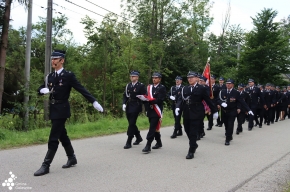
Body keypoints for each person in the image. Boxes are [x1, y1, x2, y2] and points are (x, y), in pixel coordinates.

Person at [34, 50, 103, 176]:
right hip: (53, 108)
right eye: (52, 59)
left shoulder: (68, 76)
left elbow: (81, 89)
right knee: (62, 135)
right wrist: (41, 91)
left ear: (62, 60)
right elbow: (40, 88)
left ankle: (46, 165)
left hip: (62, 109)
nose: (53, 61)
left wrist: (94, 101)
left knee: (54, 136)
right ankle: (72, 157)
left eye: (56, 59)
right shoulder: (50, 76)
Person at [175, 71, 218, 159]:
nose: (189, 79)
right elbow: (180, 99)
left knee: (193, 131)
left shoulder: (201, 88)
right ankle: (194, 144)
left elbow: (208, 100)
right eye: (188, 78)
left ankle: (191, 150)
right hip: (187, 111)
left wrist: (215, 111)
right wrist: (177, 107)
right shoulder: (185, 89)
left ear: (197, 78)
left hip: (197, 112)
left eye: (191, 77)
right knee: (187, 130)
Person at [218, 79, 253, 145]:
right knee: (226, 125)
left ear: (233, 85)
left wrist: (249, 109)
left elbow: (242, 101)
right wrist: (221, 103)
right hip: (224, 111)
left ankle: (227, 139)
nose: (228, 85)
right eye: (227, 83)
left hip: (232, 111)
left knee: (230, 125)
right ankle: (229, 135)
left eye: (229, 83)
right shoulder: (222, 91)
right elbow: (218, 99)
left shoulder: (236, 93)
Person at [138, 72, 166, 153]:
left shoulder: (162, 88)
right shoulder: (149, 87)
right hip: (150, 110)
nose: (154, 79)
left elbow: (160, 99)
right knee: (154, 127)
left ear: (159, 79)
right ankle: (159, 142)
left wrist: (151, 100)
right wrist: (144, 100)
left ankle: (148, 145)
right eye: (153, 77)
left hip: (157, 110)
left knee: (152, 127)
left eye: (156, 78)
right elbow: (146, 97)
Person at [122, 70, 146, 149]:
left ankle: (129, 141)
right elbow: (125, 95)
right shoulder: (128, 85)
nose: (131, 77)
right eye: (131, 76)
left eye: (133, 76)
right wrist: (124, 103)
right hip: (129, 105)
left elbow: (145, 96)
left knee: (132, 123)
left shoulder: (141, 86)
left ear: (137, 77)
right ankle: (138, 137)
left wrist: (146, 108)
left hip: (136, 105)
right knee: (131, 123)